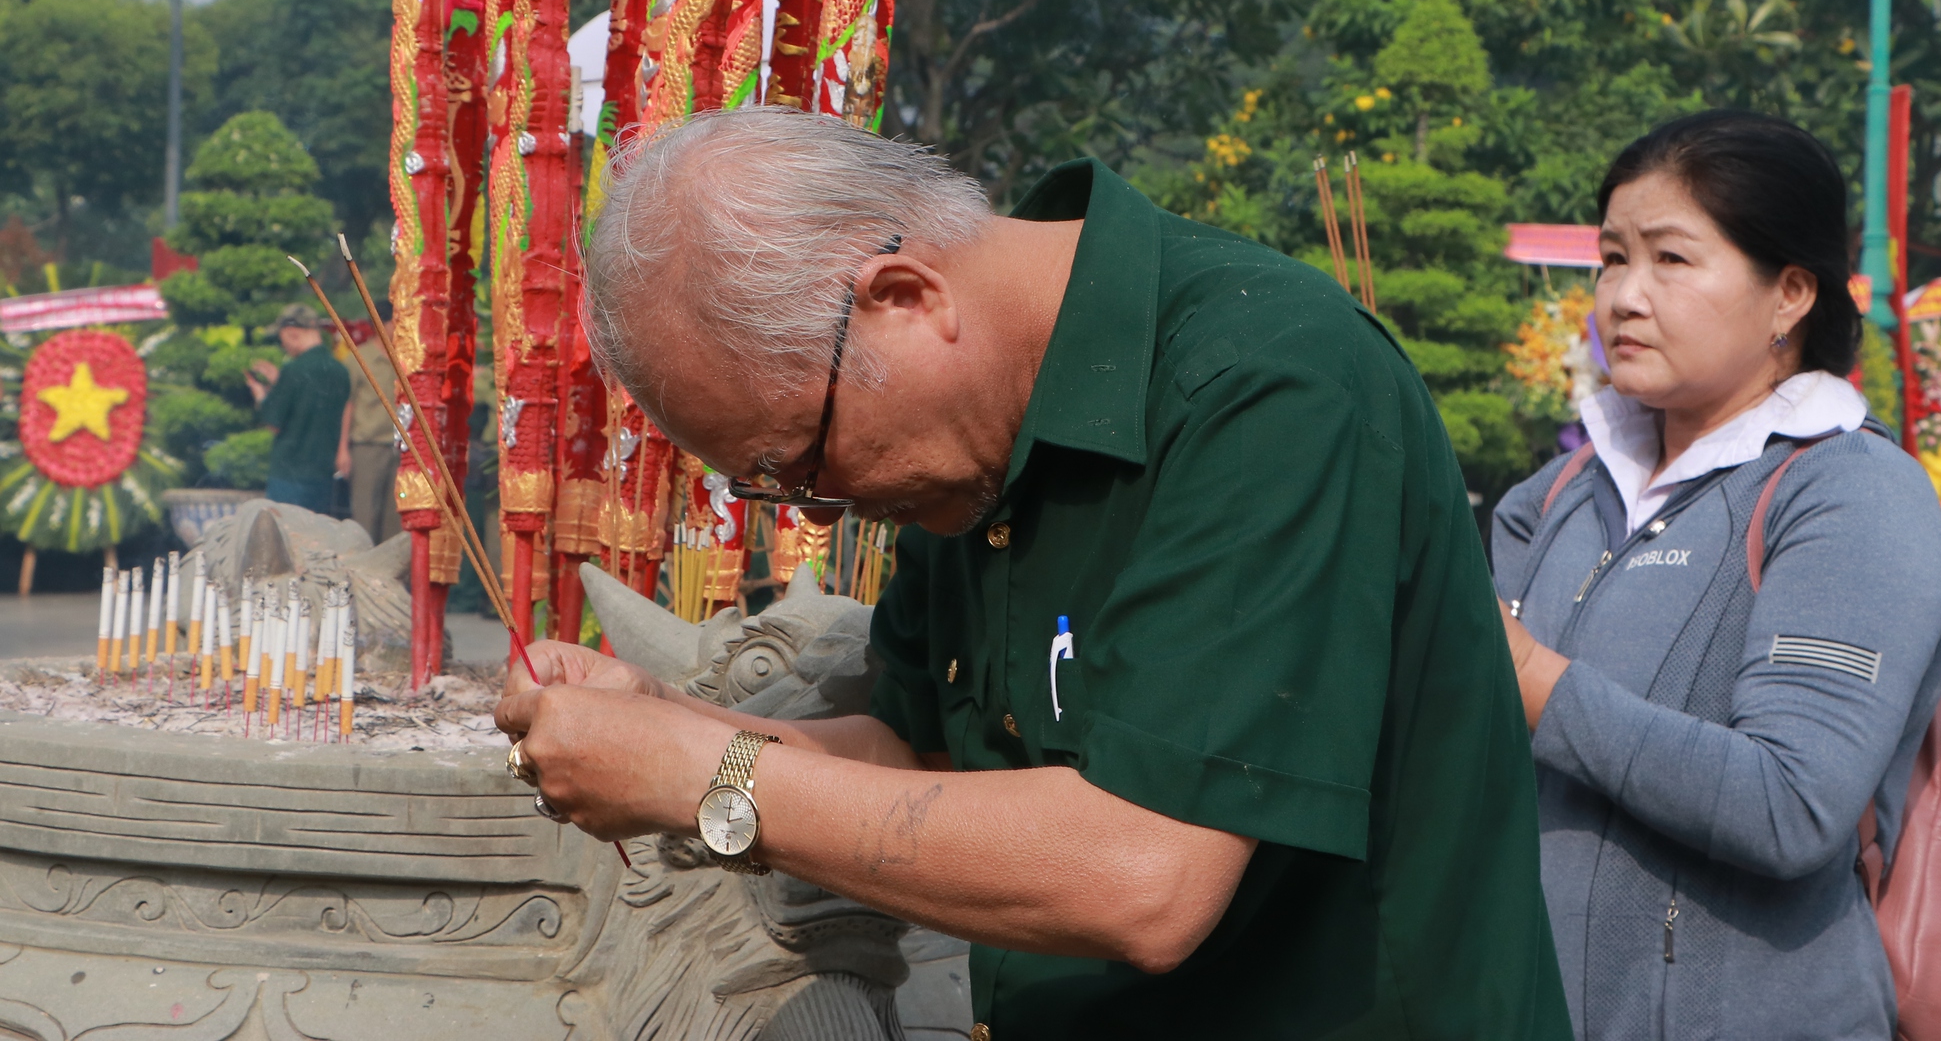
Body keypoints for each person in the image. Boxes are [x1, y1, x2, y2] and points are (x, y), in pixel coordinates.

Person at [497, 107, 1570, 1040]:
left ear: (904, 295)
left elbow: (1144, 871)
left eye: (802, 461)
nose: (821, 512)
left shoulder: (1265, 382)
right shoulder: (973, 445)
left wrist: (707, 776)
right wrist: (667, 723)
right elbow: (915, 754)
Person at [1489, 111, 1941, 1041]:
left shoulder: (1851, 495)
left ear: (1791, 293)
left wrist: (1532, 682)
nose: (1623, 296)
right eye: (1612, 257)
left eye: (1671, 260)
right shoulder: (1552, 498)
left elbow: (1792, 806)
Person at [245, 304, 351, 516]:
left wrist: (261, 396)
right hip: (324, 473)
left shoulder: (293, 370)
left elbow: (273, 423)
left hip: (289, 472)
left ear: (291, 333)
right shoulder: (340, 370)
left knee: (284, 534)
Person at [337, 310, 400, 542]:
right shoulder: (358, 359)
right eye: (396, 321)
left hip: (399, 448)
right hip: (367, 447)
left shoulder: (407, 358)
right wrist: (343, 448)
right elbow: (347, 404)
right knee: (365, 515)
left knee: (396, 517)